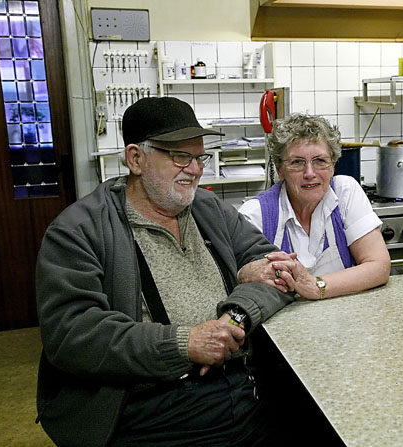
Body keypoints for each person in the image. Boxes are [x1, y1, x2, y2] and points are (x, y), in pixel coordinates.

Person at [35, 97, 295, 447]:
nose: (195, 169)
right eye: (180, 157)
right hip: (149, 408)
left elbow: (276, 269)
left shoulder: (207, 208)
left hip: (243, 386)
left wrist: (236, 315)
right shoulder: (79, 230)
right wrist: (183, 344)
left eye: (199, 157)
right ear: (136, 159)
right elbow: (71, 334)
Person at [238, 113, 390, 300]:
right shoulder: (255, 215)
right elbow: (243, 280)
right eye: (297, 162)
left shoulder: (345, 192)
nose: (310, 173)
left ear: (333, 165)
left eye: (320, 161)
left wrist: (316, 287)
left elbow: (379, 266)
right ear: (280, 170)